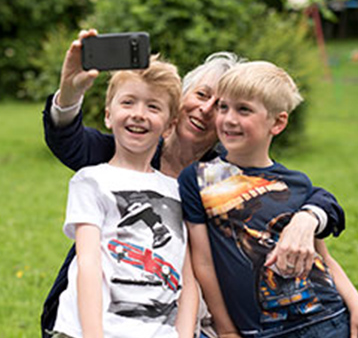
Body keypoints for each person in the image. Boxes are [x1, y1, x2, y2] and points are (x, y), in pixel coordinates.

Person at [41, 30, 344, 337]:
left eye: (221, 105)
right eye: (201, 95)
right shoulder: (129, 150)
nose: (206, 109)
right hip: (106, 312)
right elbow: (68, 139)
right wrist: (69, 91)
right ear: (180, 100)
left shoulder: (219, 176)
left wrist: (309, 217)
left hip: (184, 316)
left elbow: (300, 191)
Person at [178, 61, 358, 338]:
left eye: (244, 109)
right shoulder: (198, 178)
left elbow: (323, 256)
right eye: (223, 107)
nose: (228, 119)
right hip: (261, 330)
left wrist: (354, 304)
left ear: (277, 122)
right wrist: (226, 330)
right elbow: (203, 263)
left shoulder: (297, 183)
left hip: (326, 319)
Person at [51, 54, 199, 338]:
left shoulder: (179, 192)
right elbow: (89, 264)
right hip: (89, 330)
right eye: (128, 102)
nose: (139, 114)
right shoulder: (92, 180)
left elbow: (189, 278)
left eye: (153, 106)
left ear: (169, 127)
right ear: (108, 114)